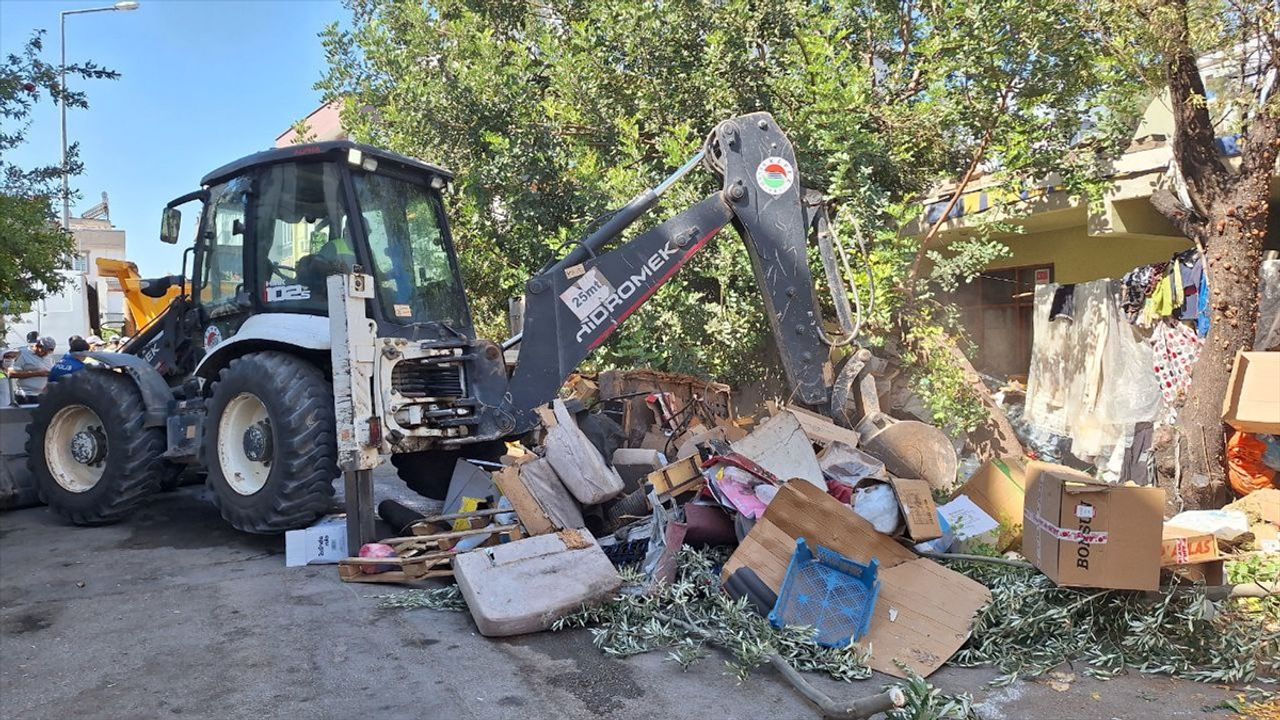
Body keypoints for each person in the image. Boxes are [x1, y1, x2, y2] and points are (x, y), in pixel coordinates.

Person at [9, 336, 56, 404]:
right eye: (44, 351)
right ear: (38, 346)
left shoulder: (49, 357)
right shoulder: (23, 353)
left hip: (44, 395)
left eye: (48, 352)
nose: (46, 354)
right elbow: (11, 373)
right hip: (27, 395)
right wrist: (37, 373)